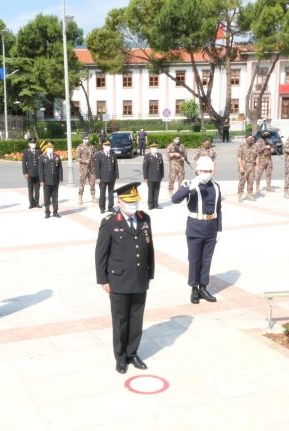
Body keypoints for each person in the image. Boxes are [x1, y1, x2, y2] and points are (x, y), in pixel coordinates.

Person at [95, 182, 154, 374]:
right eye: (130, 202)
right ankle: (120, 357)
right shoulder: (110, 222)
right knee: (120, 320)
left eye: (135, 202)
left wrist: (150, 273)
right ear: (120, 202)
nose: (133, 206)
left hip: (139, 278)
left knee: (136, 318)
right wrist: (103, 280)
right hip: (118, 280)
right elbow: (101, 254)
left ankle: (132, 353)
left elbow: (149, 248)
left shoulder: (144, 219)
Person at [171, 156, 220, 305]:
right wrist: (189, 187)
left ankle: (203, 287)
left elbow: (218, 209)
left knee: (206, 260)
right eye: (204, 171)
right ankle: (194, 288)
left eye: (209, 171)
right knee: (194, 260)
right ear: (197, 171)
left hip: (211, 227)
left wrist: (219, 229)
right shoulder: (190, 184)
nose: (207, 173)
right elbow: (175, 199)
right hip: (195, 227)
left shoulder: (215, 186)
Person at [38, 142, 63, 218]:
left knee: (55, 197)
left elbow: (60, 168)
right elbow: (40, 170)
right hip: (46, 181)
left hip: (55, 181)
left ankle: (55, 211)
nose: (50, 149)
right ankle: (47, 212)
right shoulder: (42, 157)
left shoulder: (56, 157)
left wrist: (60, 178)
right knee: (47, 197)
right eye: (49, 148)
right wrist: (41, 180)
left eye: (51, 148)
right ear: (46, 149)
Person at [95, 140, 119, 213]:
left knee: (111, 193)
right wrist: (98, 177)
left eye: (108, 145)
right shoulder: (99, 155)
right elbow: (97, 167)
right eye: (106, 145)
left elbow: (115, 166)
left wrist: (117, 175)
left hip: (111, 177)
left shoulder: (113, 154)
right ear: (103, 146)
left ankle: (110, 207)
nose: (107, 147)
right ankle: (102, 208)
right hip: (102, 178)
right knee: (102, 194)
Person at [75, 135, 96, 205]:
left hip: (91, 168)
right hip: (83, 168)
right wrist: (84, 161)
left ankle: (93, 197)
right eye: (85, 138)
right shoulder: (79, 147)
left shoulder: (92, 147)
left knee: (92, 183)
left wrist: (94, 161)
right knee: (82, 183)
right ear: (83, 139)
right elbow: (77, 158)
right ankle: (80, 197)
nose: (87, 139)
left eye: (87, 138)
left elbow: (95, 155)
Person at [142, 143, 164, 210]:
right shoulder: (147, 156)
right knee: (151, 191)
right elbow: (145, 168)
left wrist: (162, 175)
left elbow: (162, 166)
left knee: (157, 190)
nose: (155, 149)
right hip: (150, 177)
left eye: (156, 148)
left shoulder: (159, 155)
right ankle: (150, 205)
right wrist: (145, 177)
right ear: (150, 149)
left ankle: (156, 204)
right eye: (153, 148)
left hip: (158, 176)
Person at [237, 136, 258, 202]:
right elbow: (239, 157)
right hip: (244, 166)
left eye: (251, 138)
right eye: (249, 138)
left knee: (251, 181)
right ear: (246, 139)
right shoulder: (242, 146)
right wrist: (241, 167)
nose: (250, 139)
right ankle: (240, 195)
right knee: (242, 181)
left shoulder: (255, 146)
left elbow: (257, 156)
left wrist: (257, 165)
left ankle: (250, 194)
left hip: (252, 166)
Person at [22, 138, 41, 208]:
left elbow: (41, 163)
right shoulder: (26, 152)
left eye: (34, 143)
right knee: (30, 189)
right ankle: (31, 203)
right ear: (29, 144)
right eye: (32, 143)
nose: (33, 144)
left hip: (38, 173)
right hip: (30, 173)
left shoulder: (39, 151)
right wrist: (25, 173)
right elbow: (24, 163)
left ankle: (37, 203)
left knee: (37, 189)